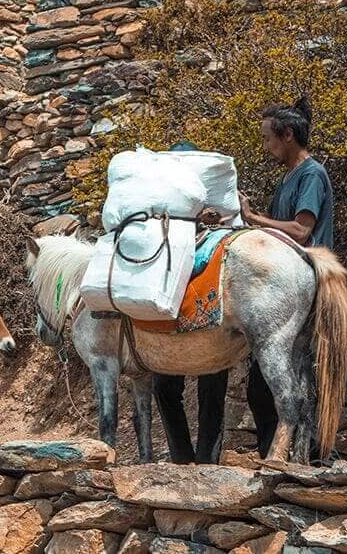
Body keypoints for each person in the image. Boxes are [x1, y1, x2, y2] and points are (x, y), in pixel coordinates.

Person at [237, 95, 335, 458]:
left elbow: (300, 230)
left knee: (287, 378)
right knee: (264, 386)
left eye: (268, 138)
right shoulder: (291, 177)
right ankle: (278, 455)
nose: (267, 147)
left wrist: (255, 220)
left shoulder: (311, 175)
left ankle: (298, 456)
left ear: (288, 134)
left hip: (305, 283)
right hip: (288, 285)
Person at [151, 140, 231, 464]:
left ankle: (207, 461)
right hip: (174, 311)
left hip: (206, 307)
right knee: (166, 387)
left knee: (210, 386)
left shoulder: (213, 212)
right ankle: (183, 459)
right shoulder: (158, 209)